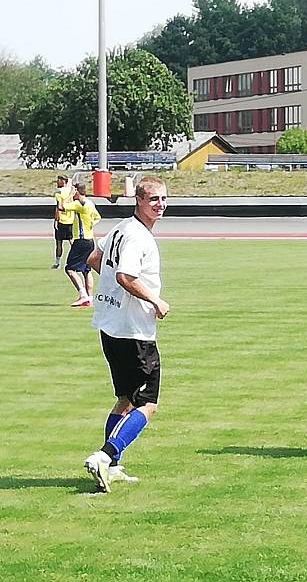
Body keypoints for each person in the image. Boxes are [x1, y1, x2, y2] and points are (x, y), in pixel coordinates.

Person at [83, 177, 170, 492]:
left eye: (163, 199)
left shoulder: (120, 228)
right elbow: (124, 276)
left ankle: (112, 467)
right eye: (153, 200)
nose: (159, 205)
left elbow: (94, 259)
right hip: (134, 332)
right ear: (139, 201)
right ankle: (106, 456)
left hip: (109, 326)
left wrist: (111, 293)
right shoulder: (138, 238)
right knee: (148, 403)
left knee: (125, 400)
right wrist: (155, 300)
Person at [61, 182, 102, 307]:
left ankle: (83, 295)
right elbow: (98, 217)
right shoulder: (90, 203)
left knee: (69, 269)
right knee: (86, 270)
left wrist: (68, 195)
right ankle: (90, 297)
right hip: (90, 239)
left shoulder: (79, 204)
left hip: (81, 240)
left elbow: (62, 207)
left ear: (77, 192)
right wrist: (89, 225)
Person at [52, 175, 75, 269]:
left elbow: (58, 207)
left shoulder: (59, 192)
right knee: (72, 241)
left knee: (59, 242)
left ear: (63, 181)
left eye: (59, 180)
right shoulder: (71, 191)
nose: (57, 182)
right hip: (71, 219)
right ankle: (77, 258)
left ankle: (57, 263)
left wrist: (56, 220)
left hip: (62, 220)